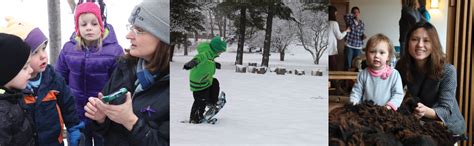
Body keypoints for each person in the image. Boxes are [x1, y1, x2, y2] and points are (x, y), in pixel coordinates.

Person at [84, 0, 170, 145]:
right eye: (131, 27)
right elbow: (105, 132)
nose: (129, 35)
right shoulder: (124, 66)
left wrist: (131, 121)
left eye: (140, 30)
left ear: (163, 38)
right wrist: (100, 118)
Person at [1, 17, 83, 146]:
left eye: (44, 48)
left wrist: (74, 129)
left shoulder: (53, 78)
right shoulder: (14, 91)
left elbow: (68, 105)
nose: (43, 55)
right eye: (35, 52)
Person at [55, 2, 124, 146]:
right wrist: (64, 102)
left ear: (101, 25)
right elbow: (60, 78)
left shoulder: (114, 51)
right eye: (83, 24)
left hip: (103, 115)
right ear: (77, 28)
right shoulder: (69, 49)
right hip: (77, 113)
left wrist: (109, 108)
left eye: (94, 23)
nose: (89, 28)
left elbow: (119, 84)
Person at [396, 22, 466, 135]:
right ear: (408, 42)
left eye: (426, 41)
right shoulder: (402, 65)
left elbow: (446, 110)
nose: (419, 44)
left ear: (434, 44)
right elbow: (395, 93)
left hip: (447, 126)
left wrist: (425, 111)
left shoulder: (448, 70)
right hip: (420, 123)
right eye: (414, 39)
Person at [350, 34, 404, 111]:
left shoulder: (394, 74)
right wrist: (353, 103)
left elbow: (398, 94)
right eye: (372, 52)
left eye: (382, 53)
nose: (377, 56)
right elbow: (356, 92)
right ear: (367, 55)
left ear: (388, 56)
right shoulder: (363, 74)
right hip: (366, 111)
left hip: (386, 112)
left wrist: (389, 107)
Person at [0, 33, 35, 146]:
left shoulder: (14, 95)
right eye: (25, 67)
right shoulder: (2, 114)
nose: (31, 70)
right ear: (7, 72)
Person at [183, 36, 226, 124]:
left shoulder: (211, 54)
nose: (220, 53)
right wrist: (193, 62)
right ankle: (195, 118)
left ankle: (212, 102)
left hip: (205, 80)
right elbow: (200, 57)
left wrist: (214, 64)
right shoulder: (206, 53)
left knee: (214, 83)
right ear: (216, 49)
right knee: (200, 100)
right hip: (199, 83)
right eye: (220, 51)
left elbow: (208, 61)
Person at [328, 6, 350, 71]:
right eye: (336, 13)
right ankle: (333, 81)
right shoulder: (334, 23)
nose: (336, 15)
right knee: (333, 68)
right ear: (333, 13)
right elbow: (339, 37)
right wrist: (346, 31)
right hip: (330, 49)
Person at [344, 6, 366, 71]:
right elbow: (345, 16)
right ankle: (346, 80)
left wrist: (363, 36)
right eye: (354, 12)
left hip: (358, 45)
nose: (356, 13)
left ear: (359, 13)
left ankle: (355, 80)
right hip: (349, 44)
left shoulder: (362, 23)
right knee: (348, 63)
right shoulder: (349, 20)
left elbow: (361, 33)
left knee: (357, 64)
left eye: (357, 12)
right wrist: (353, 15)